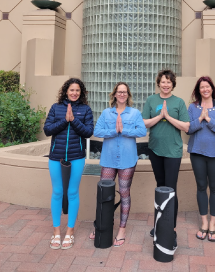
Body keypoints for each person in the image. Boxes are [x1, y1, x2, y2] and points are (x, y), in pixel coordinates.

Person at [90, 82, 146, 247]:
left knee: (124, 193)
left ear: (128, 95)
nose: (122, 94)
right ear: (114, 94)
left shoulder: (134, 113)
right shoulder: (107, 113)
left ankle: (122, 228)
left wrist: (125, 131)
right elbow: (97, 131)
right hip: (108, 159)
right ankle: (101, 224)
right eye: (119, 92)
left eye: (125, 92)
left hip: (128, 160)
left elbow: (142, 131)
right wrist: (114, 131)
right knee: (104, 193)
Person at [44, 78, 94, 250]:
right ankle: (56, 231)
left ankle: (70, 232)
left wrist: (74, 120)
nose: (74, 93)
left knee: (72, 192)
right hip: (56, 157)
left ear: (81, 93)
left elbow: (88, 132)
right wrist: (65, 120)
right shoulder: (55, 107)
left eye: (77, 90)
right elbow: (47, 130)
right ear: (66, 91)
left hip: (76, 157)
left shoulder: (85, 109)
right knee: (57, 192)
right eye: (71, 90)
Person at [142, 69, 190, 247]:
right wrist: (159, 116)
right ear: (158, 83)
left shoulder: (178, 102)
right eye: (163, 81)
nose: (166, 84)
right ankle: (159, 224)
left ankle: (171, 228)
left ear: (173, 84)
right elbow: (144, 123)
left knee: (170, 190)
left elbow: (186, 126)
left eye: (169, 82)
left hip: (173, 152)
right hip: (155, 150)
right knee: (160, 188)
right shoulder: (151, 100)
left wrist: (168, 117)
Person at [187, 76, 215, 242]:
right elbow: (188, 129)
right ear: (198, 90)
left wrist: (209, 120)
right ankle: (204, 222)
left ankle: (213, 224)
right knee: (201, 186)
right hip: (197, 153)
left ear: (212, 88)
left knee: (214, 187)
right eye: (202, 87)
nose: (205, 89)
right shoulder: (192, 107)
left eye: (208, 86)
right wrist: (199, 119)